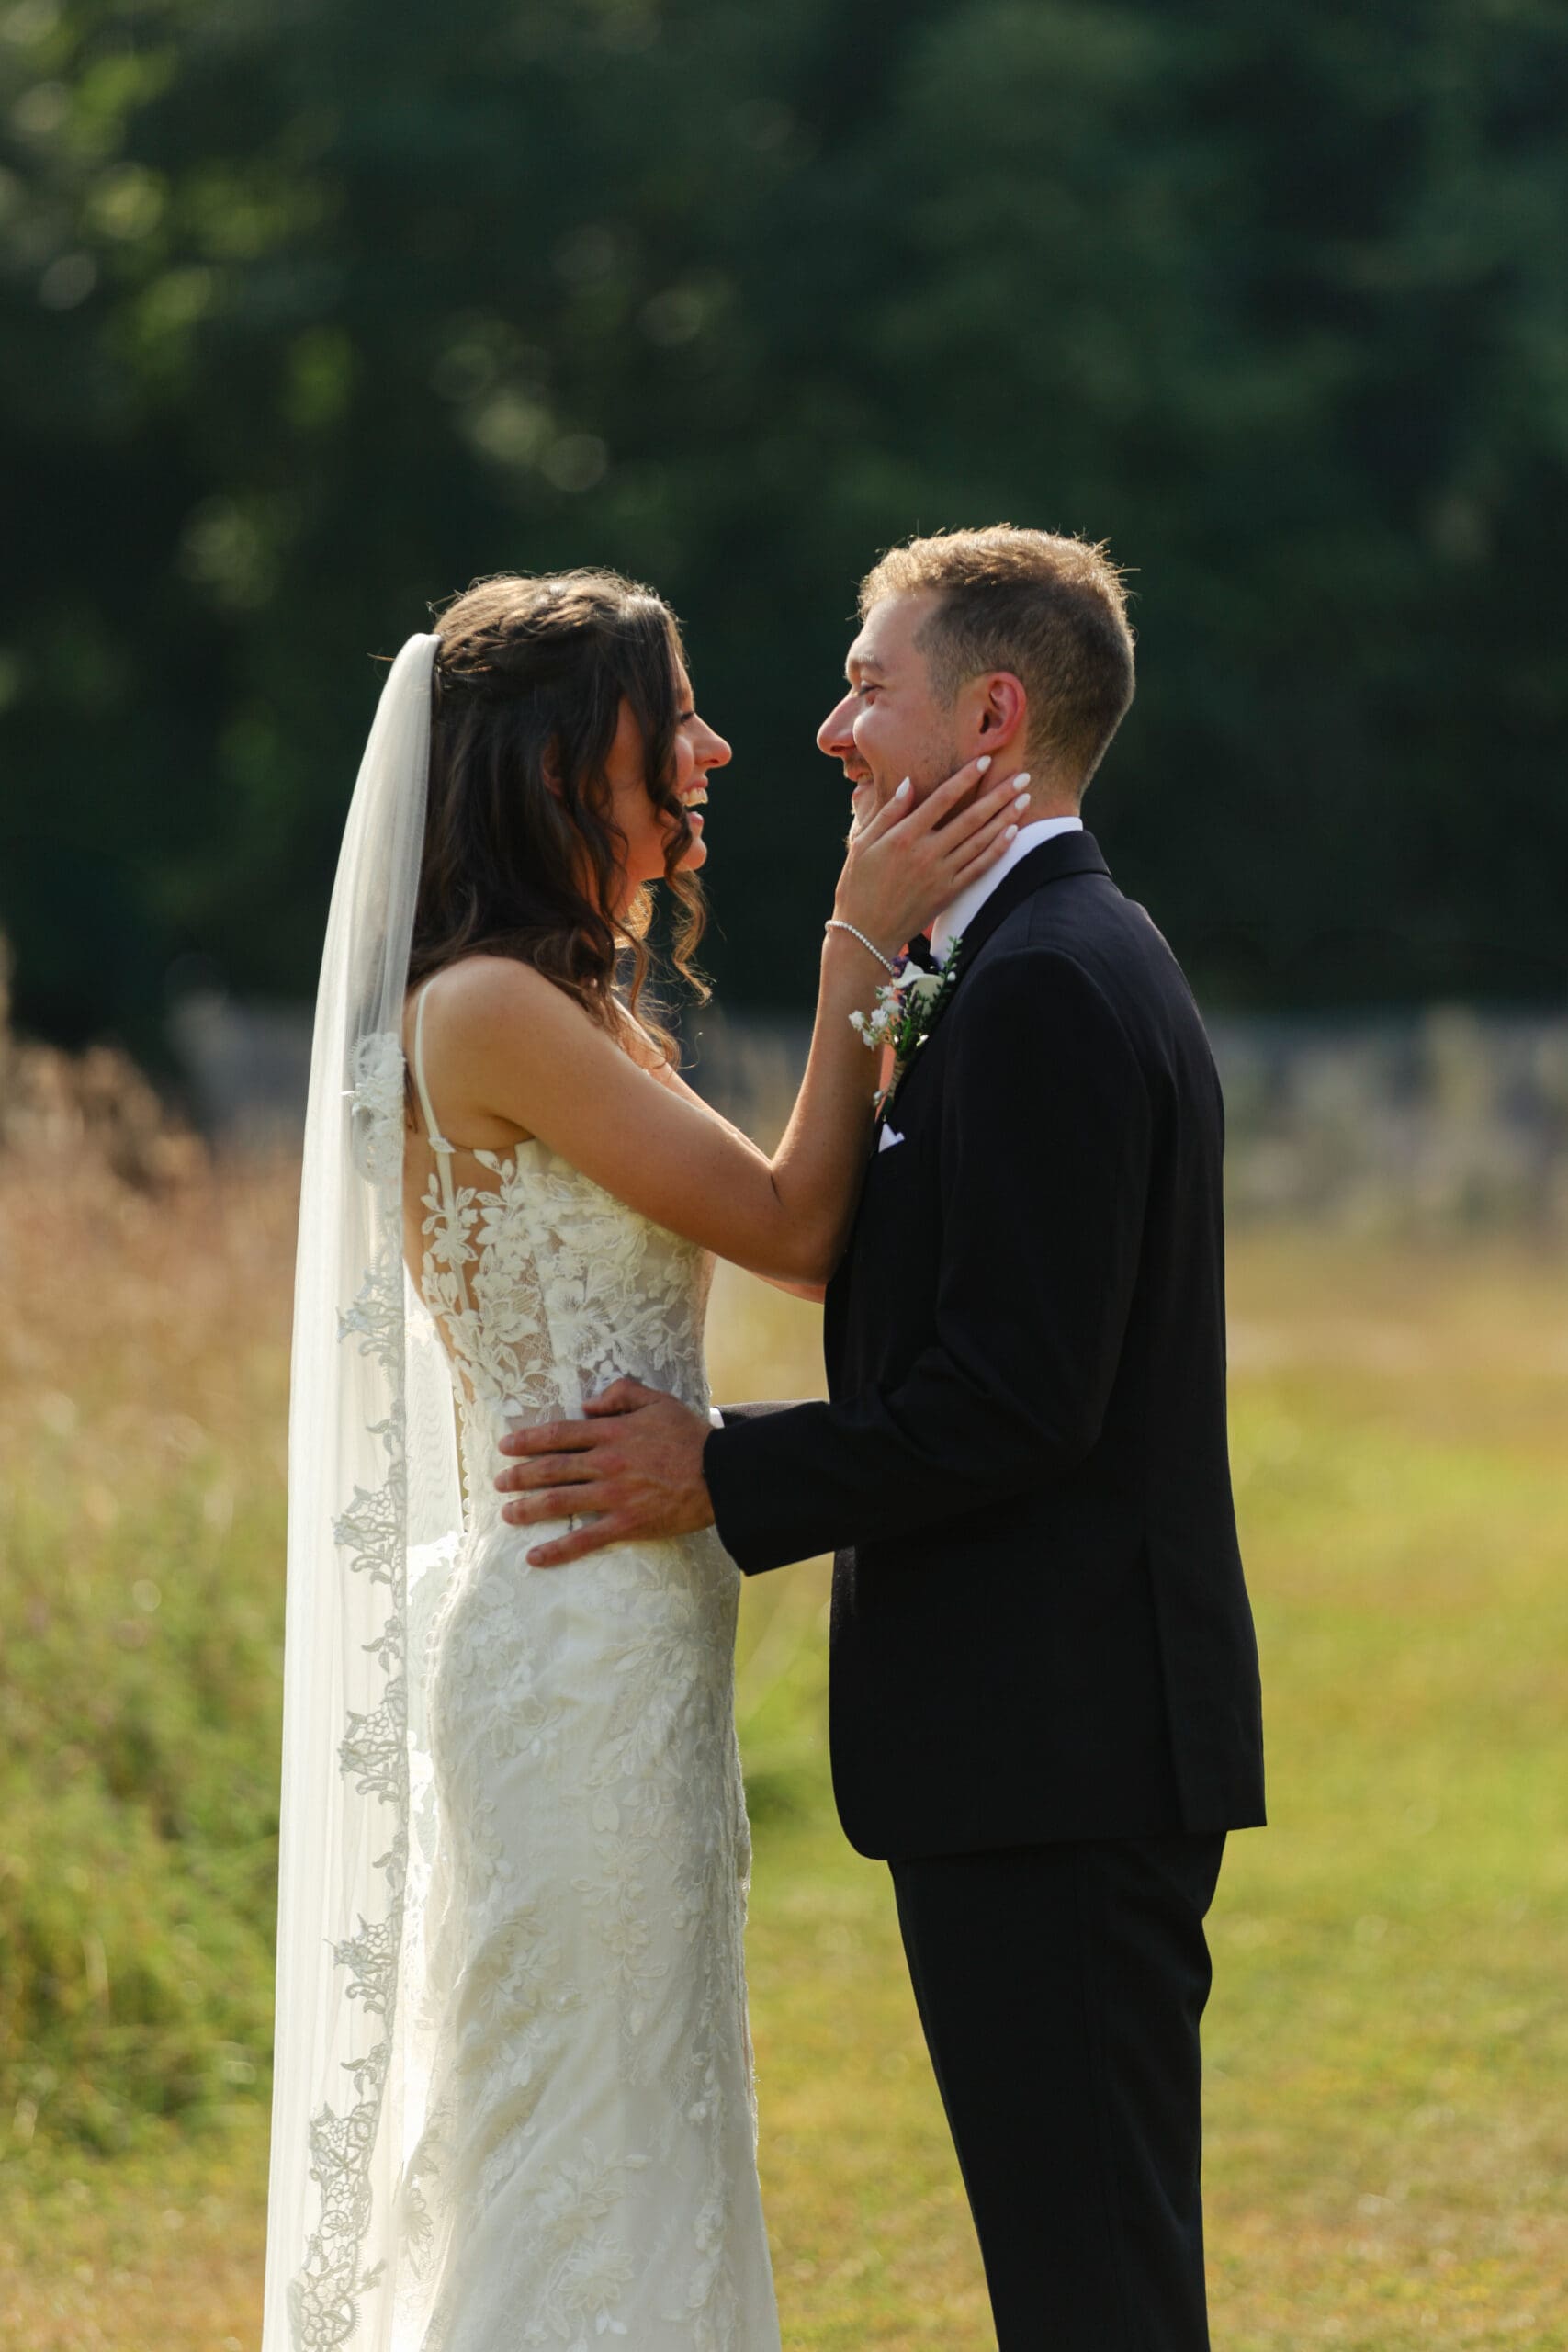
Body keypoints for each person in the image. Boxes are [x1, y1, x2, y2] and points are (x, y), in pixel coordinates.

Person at [494, 527, 1268, 2351]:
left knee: (1091, 2285)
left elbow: (1013, 1399)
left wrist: (718, 1466)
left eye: (867, 682)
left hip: (1060, 1743)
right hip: (1039, 1735)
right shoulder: (1000, 964)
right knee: (1078, 2266)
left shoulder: (1052, 983)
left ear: (990, 714)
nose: (829, 726)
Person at [261, 566, 1022, 2352]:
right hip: (571, 1647)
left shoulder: (571, 1001)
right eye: (666, 713)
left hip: (635, 1639)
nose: (712, 745)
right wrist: (860, 943)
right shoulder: (490, 1011)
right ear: (552, 759)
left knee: (644, 2107)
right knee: (580, 2121)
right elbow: (792, 1219)